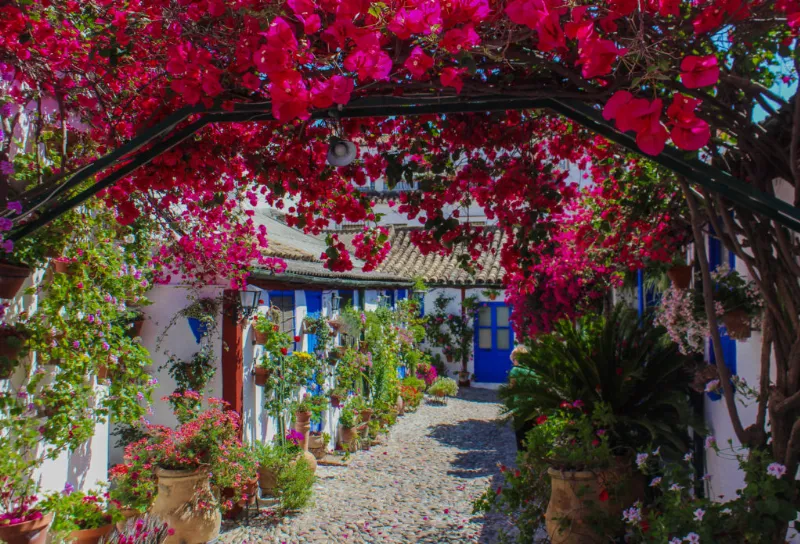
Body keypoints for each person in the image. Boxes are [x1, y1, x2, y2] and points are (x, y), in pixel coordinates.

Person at [508, 344, 534, 451]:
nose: (513, 362)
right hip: (533, 409)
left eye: (513, 360)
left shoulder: (515, 371)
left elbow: (511, 390)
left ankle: (524, 464)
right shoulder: (533, 370)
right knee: (531, 438)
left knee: (521, 440)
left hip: (520, 410)